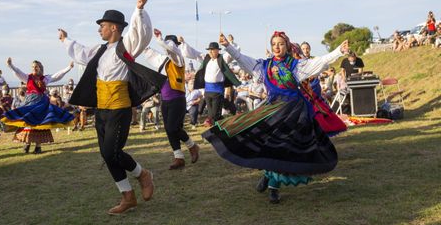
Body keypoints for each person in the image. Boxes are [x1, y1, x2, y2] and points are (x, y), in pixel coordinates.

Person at [203, 32, 349, 203]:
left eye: (281, 44)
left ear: (287, 46)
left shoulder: (296, 65)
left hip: (294, 112)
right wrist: (228, 46)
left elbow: (321, 62)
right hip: (272, 109)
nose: (277, 47)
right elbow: (243, 59)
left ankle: (273, 186)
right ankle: (268, 176)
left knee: (284, 149)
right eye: (274, 44)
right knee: (269, 146)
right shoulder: (263, 66)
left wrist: (339, 51)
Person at [59, 0, 165, 215]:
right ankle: (127, 196)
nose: (100, 29)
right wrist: (66, 40)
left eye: (103, 25)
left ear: (114, 27)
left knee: (111, 152)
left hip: (119, 107)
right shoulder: (100, 51)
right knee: (107, 154)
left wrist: (139, 9)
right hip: (102, 109)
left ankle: (143, 175)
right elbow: (80, 53)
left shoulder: (125, 46)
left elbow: (140, 33)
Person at [144, 29, 200, 170]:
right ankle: (178, 157)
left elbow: (172, 50)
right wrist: (140, 40)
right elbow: (148, 52)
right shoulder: (162, 60)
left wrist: (160, 40)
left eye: (171, 43)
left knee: (173, 127)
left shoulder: (179, 58)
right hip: (165, 100)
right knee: (170, 129)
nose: (169, 46)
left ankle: (192, 146)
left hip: (177, 99)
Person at [2, 58, 74, 154]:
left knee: (40, 123)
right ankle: (27, 144)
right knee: (28, 121)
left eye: (36, 66)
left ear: (40, 68)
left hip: (41, 102)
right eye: (33, 67)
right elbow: (18, 72)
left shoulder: (45, 78)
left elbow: (57, 75)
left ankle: (38, 147)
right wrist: (10, 65)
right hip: (30, 102)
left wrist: (68, 68)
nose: (34, 68)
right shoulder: (28, 77)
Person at [180, 39, 240, 127]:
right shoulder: (206, 58)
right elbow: (194, 53)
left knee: (215, 115)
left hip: (218, 91)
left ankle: (223, 125)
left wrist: (230, 43)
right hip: (207, 91)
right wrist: (183, 43)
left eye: (213, 50)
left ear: (217, 50)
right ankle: (223, 124)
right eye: (209, 50)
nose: (211, 51)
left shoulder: (222, 58)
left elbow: (233, 54)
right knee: (211, 114)